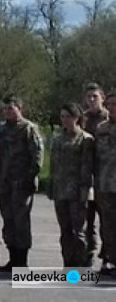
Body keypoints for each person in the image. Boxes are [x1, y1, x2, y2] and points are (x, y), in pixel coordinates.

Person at [0, 96, 44, 271]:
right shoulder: (1, 130)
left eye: (11, 108)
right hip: (5, 182)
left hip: (22, 182)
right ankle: (12, 257)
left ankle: (22, 259)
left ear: (19, 109)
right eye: (5, 109)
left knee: (21, 220)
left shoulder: (28, 128)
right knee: (8, 219)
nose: (8, 112)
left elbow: (37, 155)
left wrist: (31, 176)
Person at [48, 103, 94, 267]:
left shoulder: (85, 139)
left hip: (77, 191)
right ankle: (68, 263)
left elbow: (87, 167)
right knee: (65, 230)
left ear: (77, 118)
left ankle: (81, 263)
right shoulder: (57, 139)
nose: (65, 120)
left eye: (68, 117)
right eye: (62, 117)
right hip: (61, 191)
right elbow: (53, 165)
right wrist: (51, 186)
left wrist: (85, 191)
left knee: (78, 231)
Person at [83, 83, 108, 267]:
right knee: (86, 221)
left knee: (107, 221)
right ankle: (88, 255)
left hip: (106, 177)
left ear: (102, 98)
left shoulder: (109, 118)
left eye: (95, 96)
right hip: (85, 177)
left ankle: (108, 258)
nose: (92, 100)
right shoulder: (82, 119)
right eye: (89, 97)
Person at [94, 93, 116, 276]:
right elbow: (95, 158)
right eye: (109, 104)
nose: (112, 108)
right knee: (107, 225)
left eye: (115, 104)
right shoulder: (101, 128)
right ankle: (110, 259)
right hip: (105, 184)